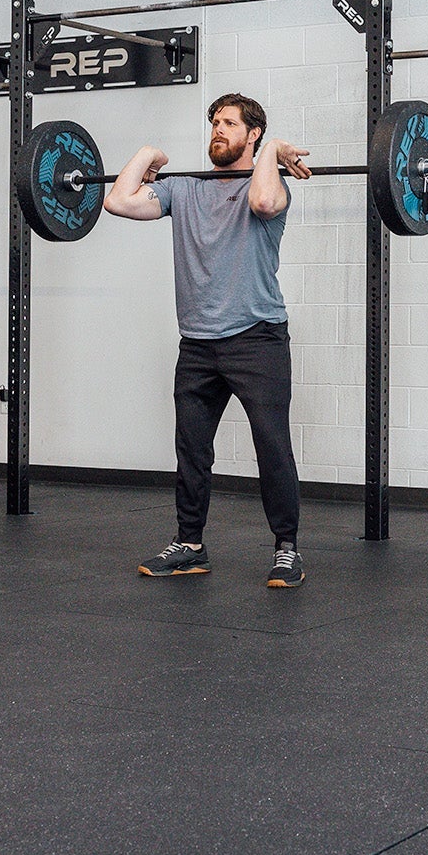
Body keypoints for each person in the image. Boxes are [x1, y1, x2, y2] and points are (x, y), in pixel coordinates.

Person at [104, 92, 312, 588]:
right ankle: (189, 545)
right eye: (214, 122)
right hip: (197, 344)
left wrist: (273, 152)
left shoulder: (272, 186)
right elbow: (116, 201)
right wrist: (150, 155)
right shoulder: (183, 188)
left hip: (256, 338)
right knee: (191, 448)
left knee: (272, 445)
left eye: (229, 124)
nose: (218, 130)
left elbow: (261, 200)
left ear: (253, 133)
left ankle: (287, 549)